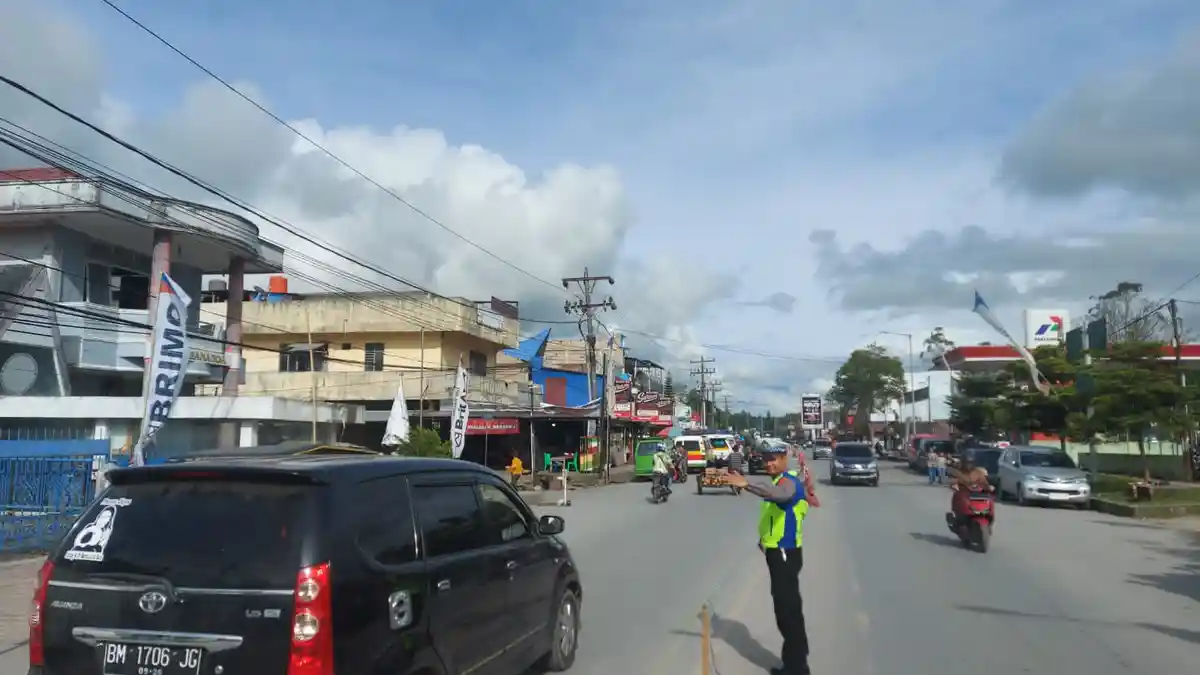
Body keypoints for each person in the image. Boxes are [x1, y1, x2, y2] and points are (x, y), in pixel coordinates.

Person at [723, 444, 816, 675]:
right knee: (788, 610)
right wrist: (765, 539)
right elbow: (776, 516)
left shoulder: (789, 483)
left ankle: (798, 668)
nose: (769, 463)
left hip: (785, 553)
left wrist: (747, 484)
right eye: (766, 460)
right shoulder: (781, 481)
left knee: (787, 612)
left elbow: (780, 496)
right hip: (778, 551)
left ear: (785, 458)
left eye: (774, 459)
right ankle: (794, 662)